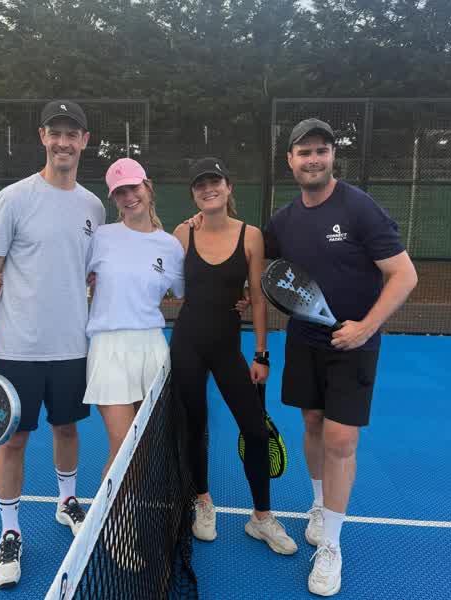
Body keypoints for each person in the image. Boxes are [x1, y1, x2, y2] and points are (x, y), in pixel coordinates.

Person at [0, 100, 106, 589]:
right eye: (55, 133)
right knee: (14, 440)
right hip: (17, 347)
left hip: (72, 347)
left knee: (67, 429)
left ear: (85, 141)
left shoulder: (94, 207)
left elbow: (91, 273)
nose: (63, 142)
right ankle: (11, 532)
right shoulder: (13, 198)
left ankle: (67, 502)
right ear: (42, 137)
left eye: (72, 134)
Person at [264, 118, 418, 596]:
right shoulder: (284, 221)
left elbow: (404, 275)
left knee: (340, 440)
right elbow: (260, 260)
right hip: (304, 342)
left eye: (321, 150)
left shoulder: (359, 208)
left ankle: (330, 544)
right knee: (312, 422)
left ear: (332, 156)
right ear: (290, 160)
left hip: (355, 346)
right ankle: (318, 505)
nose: (313, 159)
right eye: (304, 152)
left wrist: (365, 327)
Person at [170, 157, 298, 555]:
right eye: (200, 184)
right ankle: (202, 501)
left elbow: (257, 297)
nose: (208, 189)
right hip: (187, 343)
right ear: (193, 193)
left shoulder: (251, 236)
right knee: (195, 427)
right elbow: (164, 281)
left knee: (256, 431)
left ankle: (261, 517)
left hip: (228, 347)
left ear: (228, 187)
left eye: (215, 182)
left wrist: (261, 354)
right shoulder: (182, 233)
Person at [82, 157, 185, 478]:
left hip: (152, 348)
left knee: (143, 449)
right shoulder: (100, 237)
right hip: (108, 348)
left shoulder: (171, 246)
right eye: (120, 192)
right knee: (124, 448)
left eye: (133, 188)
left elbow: (186, 295)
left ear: (148, 188)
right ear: (114, 199)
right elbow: (68, 277)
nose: (129, 197)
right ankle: (110, 512)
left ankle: (131, 510)